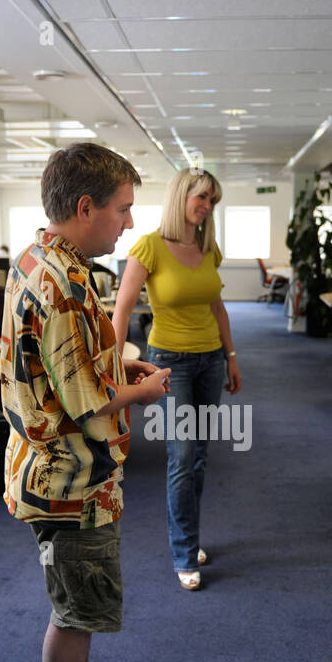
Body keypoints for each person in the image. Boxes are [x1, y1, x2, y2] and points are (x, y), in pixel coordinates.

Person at [2, 142, 171, 662]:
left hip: (49, 467)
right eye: (123, 209)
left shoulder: (38, 257)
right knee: (75, 607)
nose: (130, 223)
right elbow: (86, 402)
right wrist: (142, 389)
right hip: (70, 481)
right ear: (84, 206)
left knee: (78, 592)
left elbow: (59, 367)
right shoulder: (66, 285)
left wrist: (118, 360)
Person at [111, 167, 241, 590]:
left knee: (199, 455)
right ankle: (184, 551)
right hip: (170, 364)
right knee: (182, 456)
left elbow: (218, 308)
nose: (206, 207)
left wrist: (231, 357)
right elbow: (123, 310)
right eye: (201, 197)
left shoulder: (209, 248)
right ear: (181, 197)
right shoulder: (149, 247)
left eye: (212, 201)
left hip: (210, 363)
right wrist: (112, 364)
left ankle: (191, 537)